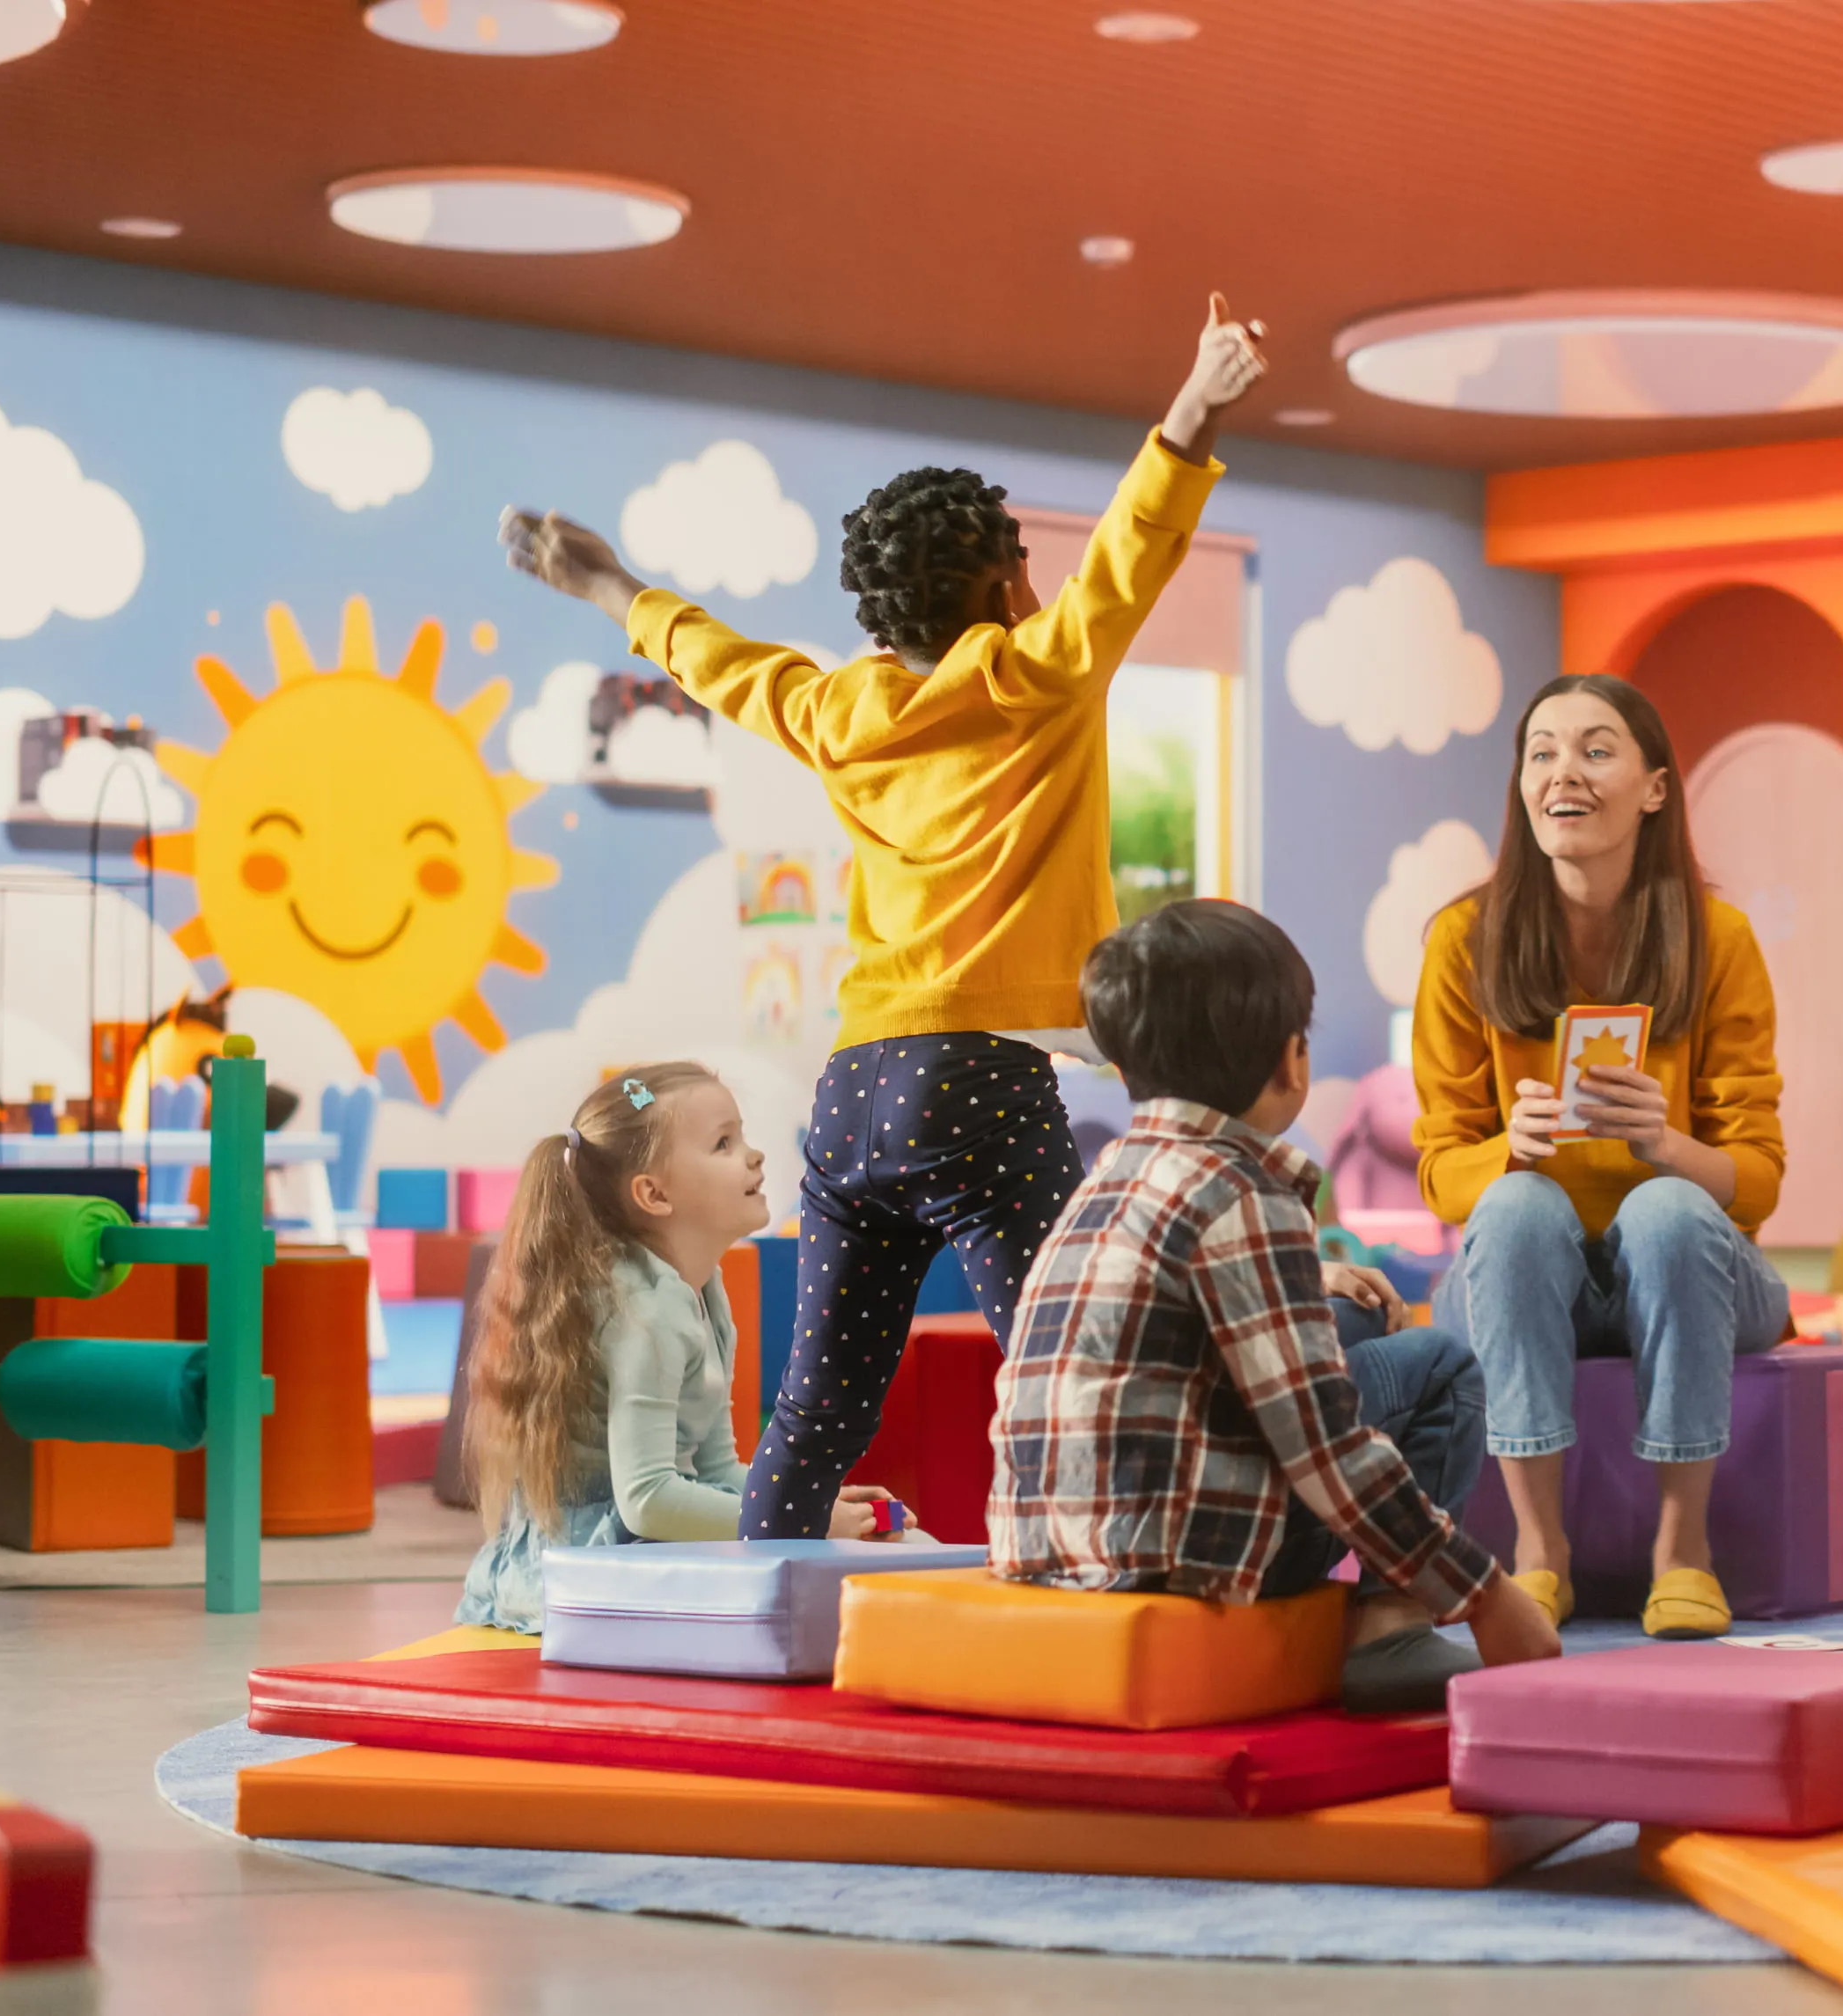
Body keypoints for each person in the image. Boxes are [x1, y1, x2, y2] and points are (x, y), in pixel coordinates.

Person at [499, 297, 1268, 1541]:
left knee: (820, 1397)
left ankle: (760, 1594)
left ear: (878, 617)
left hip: (857, 1087)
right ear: (1014, 581)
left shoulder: (836, 709)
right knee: (1057, 1357)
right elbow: (1137, 548)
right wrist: (1194, 404)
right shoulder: (1042, 673)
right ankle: (1092, 1575)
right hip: (982, 1079)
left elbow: (717, 657)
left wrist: (604, 582)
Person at [988, 900, 1561, 1707]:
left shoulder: (1105, 1183)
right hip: (1179, 1563)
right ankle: (1393, 1625)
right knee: (1439, 1365)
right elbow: (1326, 1447)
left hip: (1046, 1547)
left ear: (1125, 1068)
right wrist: (1485, 1595)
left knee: (1356, 1322)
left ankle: (1389, 1612)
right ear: (1293, 1063)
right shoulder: (1245, 1195)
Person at [1413, 674, 1788, 1641]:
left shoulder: (1720, 940)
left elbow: (1759, 1181)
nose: (1560, 773)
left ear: (1654, 788)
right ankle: (1539, 1552)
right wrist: (1512, 1149)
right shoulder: (1465, 940)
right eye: (1540, 751)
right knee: (1517, 1205)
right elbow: (1442, 1167)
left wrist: (1665, 1145)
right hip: (1519, 1266)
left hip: (1694, 1266)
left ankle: (1683, 1549)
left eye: (1595, 748)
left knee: (1666, 1210)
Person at [455, 1063, 912, 1632]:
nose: (755, 1155)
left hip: (635, 1545)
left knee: (899, 1547)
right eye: (723, 1143)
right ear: (654, 1193)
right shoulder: (648, 1310)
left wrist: (810, 1496)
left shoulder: (703, 1288)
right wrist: (812, 1521)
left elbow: (715, 1466)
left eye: (741, 1135)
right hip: (589, 1568)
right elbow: (647, 1497)